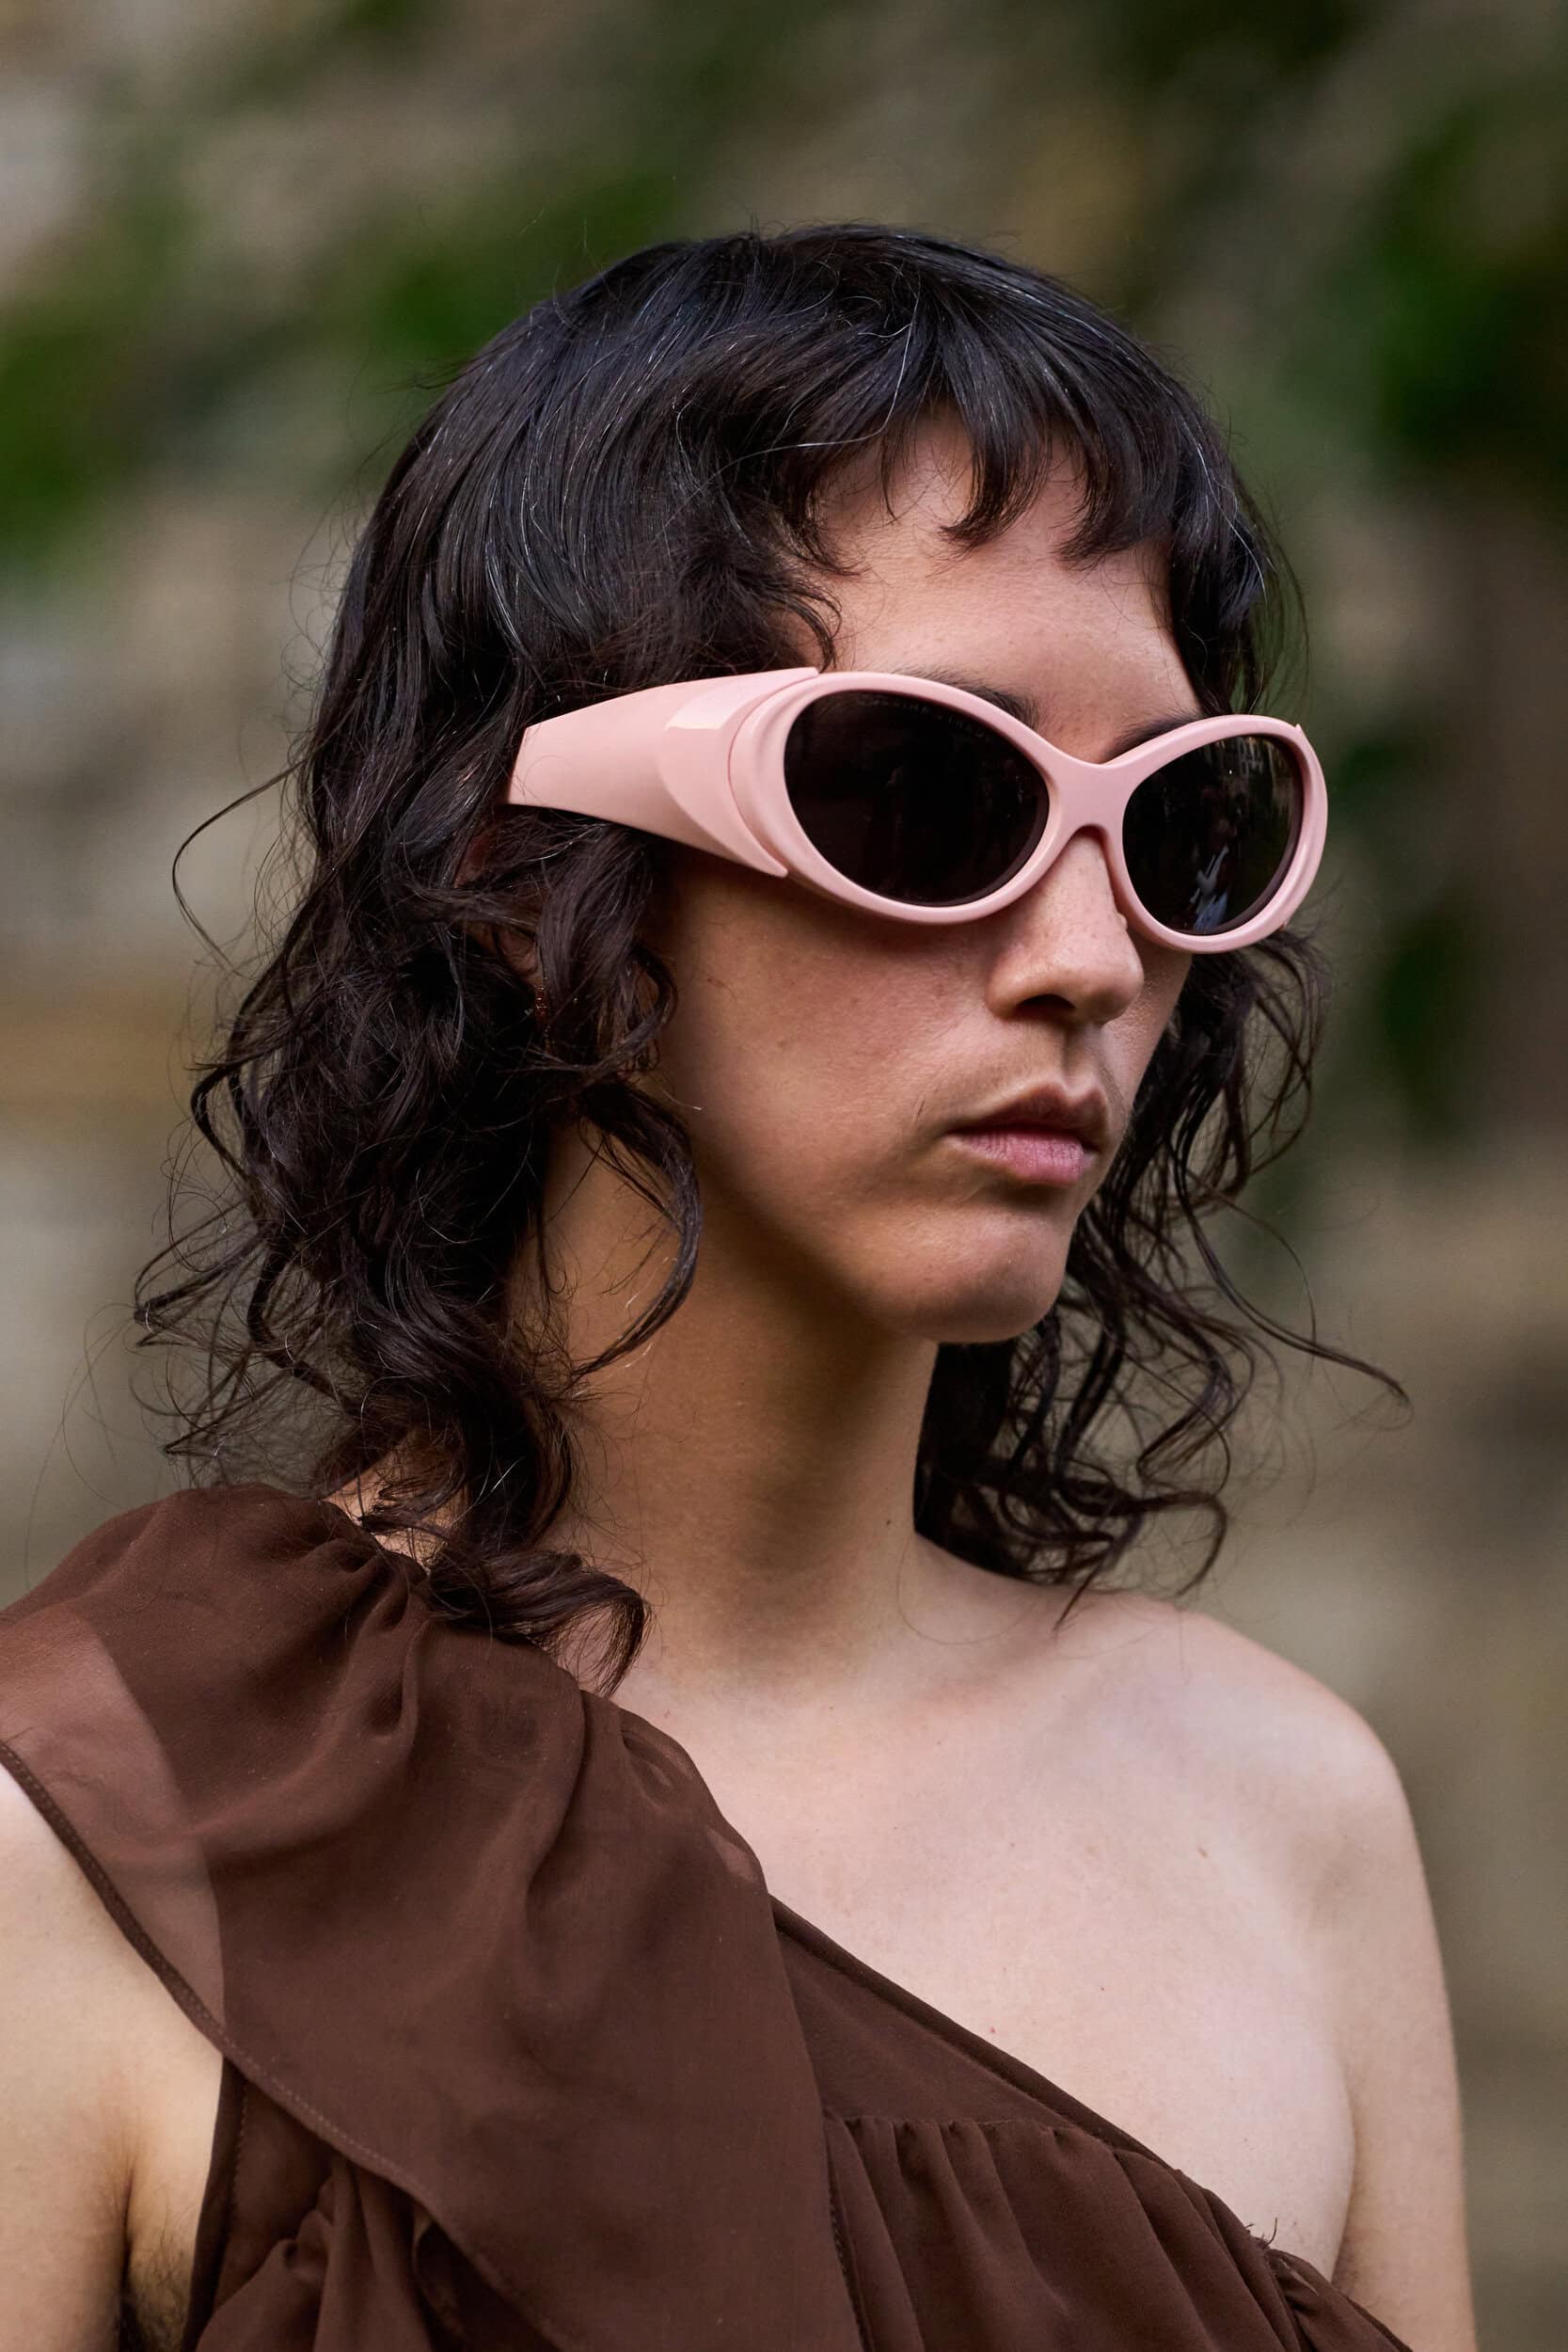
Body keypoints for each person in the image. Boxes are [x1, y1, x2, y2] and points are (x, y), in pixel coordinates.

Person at [0, 224, 1476, 2352]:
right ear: (518, 870)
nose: (1089, 959)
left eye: (1177, 827)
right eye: (930, 793)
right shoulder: (104, 1834)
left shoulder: (1282, 1816)